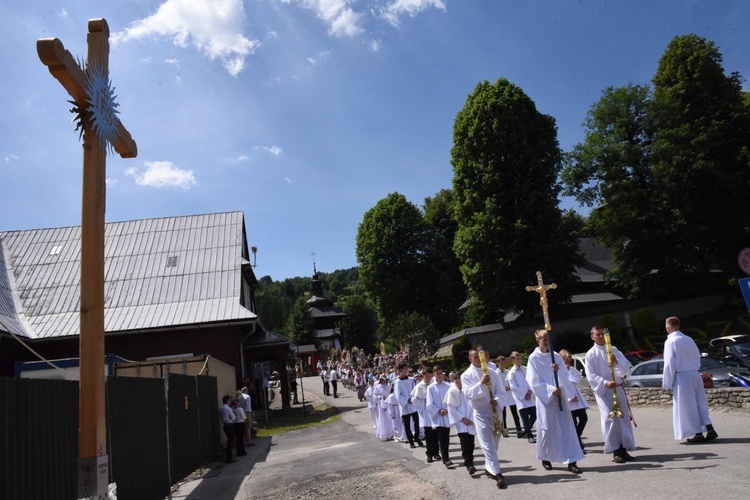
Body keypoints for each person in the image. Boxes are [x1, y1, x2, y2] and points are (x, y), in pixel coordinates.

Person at [526, 330, 584, 474]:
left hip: (560, 396)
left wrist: (558, 370)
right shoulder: (533, 358)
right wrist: (551, 389)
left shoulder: (556, 356)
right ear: (537, 340)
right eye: (543, 338)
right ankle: (546, 457)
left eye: (548, 338)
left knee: (567, 428)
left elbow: (566, 376)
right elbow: (533, 381)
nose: (546, 341)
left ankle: (572, 461)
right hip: (545, 399)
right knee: (548, 430)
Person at [662, 316, 718, 443]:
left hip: (682, 376)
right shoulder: (689, 339)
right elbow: (697, 357)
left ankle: (698, 433)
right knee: (700, 403)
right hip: (694, 374)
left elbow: (669, 363)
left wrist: (667, 383)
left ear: (668, 327)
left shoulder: (670, 342)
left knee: (687, 406)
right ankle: (709, 428)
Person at [584, 327, 635, 461]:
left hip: (617, 388)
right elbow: (590, 375)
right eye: (597, 334)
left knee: (623, 418)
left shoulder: (614, 350)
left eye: (602, 334)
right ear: (592, 337)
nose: (600, 336)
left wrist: (616, 362)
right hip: (605, 391)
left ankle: (624, 449)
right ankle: (616, 450)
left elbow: (626, 366)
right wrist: (605, 383)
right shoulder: (591, 354)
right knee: (611, 418)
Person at [461, 350, 509, 489]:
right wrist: (481, 383)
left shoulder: (492, 372)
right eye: (475, 357)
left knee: (494, 443)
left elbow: (501, 391)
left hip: (494, 411)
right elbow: (468, 394)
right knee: (487, 444)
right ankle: (498, 474)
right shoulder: (466, 375)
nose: (479, 359)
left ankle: (489, 468)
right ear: (470, 358)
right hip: (480, 412)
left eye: (482, 356)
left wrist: (497, 400)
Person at [445, 371, 476, 475]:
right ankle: (469, 464)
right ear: (454, 381)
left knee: (471, 443)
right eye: (456, 381)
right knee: (464, 443)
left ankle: (470, 461)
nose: (459, 383)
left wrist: (471, 418)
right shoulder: (451, 391)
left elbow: (473, 404)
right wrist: (462, 419)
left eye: (460, 381)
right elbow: (451, 408)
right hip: (461, 423)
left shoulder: (467, 389)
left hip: (470, 421)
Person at [560, 349, 590, 454]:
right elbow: (561, 386)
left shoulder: (572, 370)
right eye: (566, 360)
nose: (568, 362)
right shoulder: (558, 371)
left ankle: (577, 437)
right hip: (568, 400)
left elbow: (577, 380)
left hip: (577, 400)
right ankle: (578, 444)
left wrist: (569, 370)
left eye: (569, 360)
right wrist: (570, 397)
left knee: (584, 418)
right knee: (573, 422)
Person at [507, 351, 537, 442]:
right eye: (517, 359)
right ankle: (529, 435)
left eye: (520, 358)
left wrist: (530, 392)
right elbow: (513, 386)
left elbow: (532, 380)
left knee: (534, 415)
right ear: (513, 360)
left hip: (530, 395)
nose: (519, 360)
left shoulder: (526, 369)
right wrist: (525, 392)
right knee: (524, 417)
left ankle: (525, 431)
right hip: (521, 398)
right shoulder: (511, 372)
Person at [427, 366, 453, 467]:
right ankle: (446, 459)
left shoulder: (448, 386)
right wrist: (438, 410)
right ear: (434, 374)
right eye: (437, 373)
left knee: (446, 438)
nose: (439, 375)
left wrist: (447, 409)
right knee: (441, 438)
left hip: (446, 415)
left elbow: (451, 399)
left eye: (441, 373)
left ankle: (446, 456)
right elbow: (429, 403)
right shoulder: (431, 387)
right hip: (438, 416)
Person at [411, 367, 437, 463]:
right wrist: (424, 401)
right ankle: (429, 454)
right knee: (428, 435)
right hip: (425, 413)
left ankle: (436, 452)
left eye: (430, 376)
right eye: (427, 377)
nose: (429, 378)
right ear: (422, 376)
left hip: (434, 413)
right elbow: (414, 401)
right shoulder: (419, 387)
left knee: (435, 434)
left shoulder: (433, 385)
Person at [394, 363, 423, 448]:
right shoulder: (397, 382)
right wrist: (406, 400)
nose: (406, 370)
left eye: (407, 368)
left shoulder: (410, 380)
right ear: (400, 370)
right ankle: (411, 441)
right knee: (407, 424)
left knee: (416, 422)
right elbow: (397, 395)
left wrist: (412, 399)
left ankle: (416, 437)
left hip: (412, 403)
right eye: (404, 369)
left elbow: (415, 390)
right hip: (404, 406)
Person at [496, 355, 520, 437]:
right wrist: (503, 388)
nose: (503, 365)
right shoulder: (496, 373)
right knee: (503, 414)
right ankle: (504, 430)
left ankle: (519, 429)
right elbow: (496, 385)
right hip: (502, 395)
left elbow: (511, 381)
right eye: (501, 364)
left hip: (509, 395)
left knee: (514, 412)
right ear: (498, 363)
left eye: (504, 363)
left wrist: (510, 386)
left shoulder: (508, 371)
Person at [219, 395, 238, 463]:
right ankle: (229, 457)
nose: (230, 402)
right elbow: (233, 418)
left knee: (229, 441)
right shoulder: (228, 409)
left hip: (225, 425)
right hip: (230, 425)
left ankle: (228, 457)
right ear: (227, 401)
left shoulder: (221, 408)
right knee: (231, 442)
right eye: (230, 400)